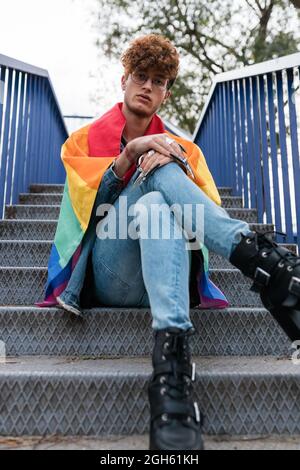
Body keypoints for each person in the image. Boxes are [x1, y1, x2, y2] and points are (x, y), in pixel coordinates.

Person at [37, 34, 300, 450]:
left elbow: (197, 225)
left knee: (159, 203)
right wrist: (135, 152)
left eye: (159, 81)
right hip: (112, 273)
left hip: (167, 274)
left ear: (166, 93)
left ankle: (172, 373)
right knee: (155, 166)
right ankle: (268, 266)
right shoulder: (81, 143)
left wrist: (169, 155)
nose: (148, 86)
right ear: (123, 80)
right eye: (141, 76)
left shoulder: (189, 152)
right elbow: (91, 210)